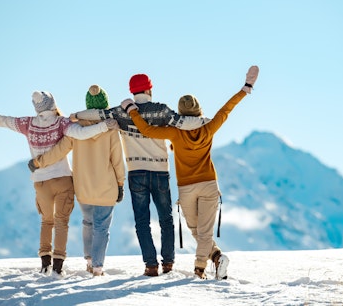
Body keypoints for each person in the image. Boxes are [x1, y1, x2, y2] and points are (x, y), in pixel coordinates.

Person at [0, 91, 119, 275]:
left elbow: (2, 120)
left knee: (47, 222)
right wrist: (104, 126)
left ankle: (45, 263)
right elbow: (82, 133)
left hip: (41, 182)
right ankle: (58, 267)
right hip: (63, 179)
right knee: (62, 222)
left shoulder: (28, 124)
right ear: (53, 103)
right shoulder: (62, 123)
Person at [121, 65, 259, 279]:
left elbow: (147, 130)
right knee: (201, 232)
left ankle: (200, 269)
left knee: (198, 231)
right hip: (209, 185)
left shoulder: (175, 133)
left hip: (186, 189)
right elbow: (226, 109)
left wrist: (132, 111)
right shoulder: (209, 127)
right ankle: (217, 257)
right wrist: (246, 88)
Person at [70, 74, 207, 276]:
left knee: (142, 222)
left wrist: (75, 115)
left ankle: (150, 265)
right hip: (160, 172)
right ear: (149, 89)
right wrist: (207, 121)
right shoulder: (161, 110)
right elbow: (184, 122)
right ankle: (168, 263)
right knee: (166, 219)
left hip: (136, 173)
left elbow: (96, 114)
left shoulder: (120, 112)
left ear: (132, 92)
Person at [28, 85, 125, 277]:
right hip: (106, 187)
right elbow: (117, 160)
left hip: (82, 188)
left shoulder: (76, 128)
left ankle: (89, 262)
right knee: (101, 227)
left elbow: (59, 151)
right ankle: (97, 267)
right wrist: (120, 184)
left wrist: (39, 162)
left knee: (88, 223)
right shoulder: (111, 129)